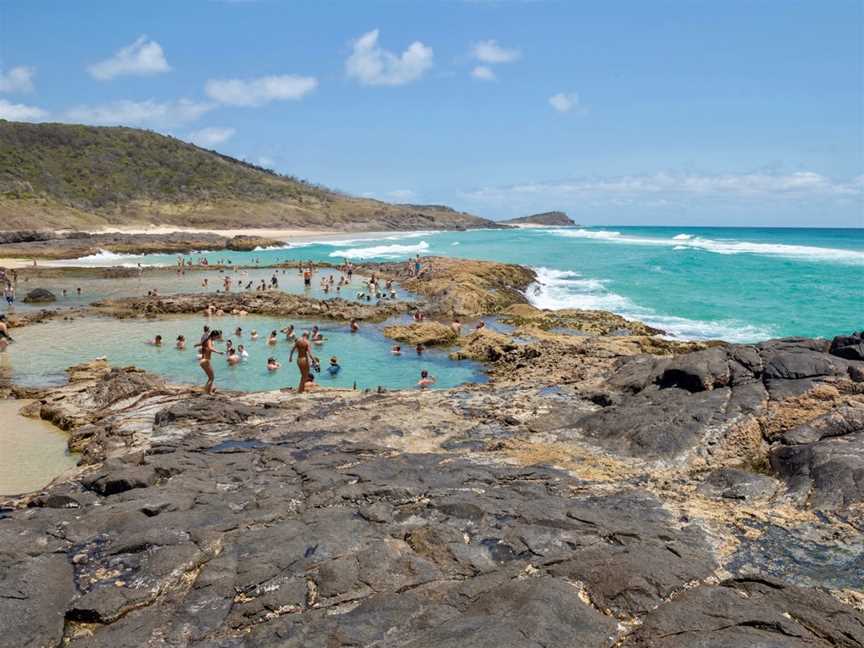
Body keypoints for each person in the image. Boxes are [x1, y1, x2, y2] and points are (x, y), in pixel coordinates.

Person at [199, 330, 223, 394]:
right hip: (205, 360)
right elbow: (210, 348)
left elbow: (203, 345)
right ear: (214, 336)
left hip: (203, 361)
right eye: (217, 337)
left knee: (210, 377)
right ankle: (208, 392)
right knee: (212, 378)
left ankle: (206, 390)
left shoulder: (208, 340)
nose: (217, 338)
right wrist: (218, 352)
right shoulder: (209, 340)